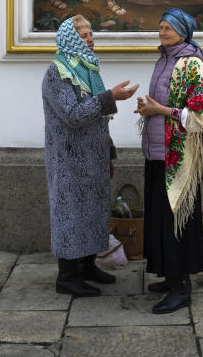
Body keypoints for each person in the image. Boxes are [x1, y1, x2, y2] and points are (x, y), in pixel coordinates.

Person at [42, 15, 139, 296]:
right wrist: (111, 96)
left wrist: (107, 154)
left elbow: (99, 118)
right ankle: (67, 276)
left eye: (91, 34)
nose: (90, 40)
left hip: (93, 159)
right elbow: (73, 115)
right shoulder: (58, 72)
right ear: (70, 39)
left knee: (93, 213)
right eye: (83, 36)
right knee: (71, 214)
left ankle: (86, 266)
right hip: (70, 161)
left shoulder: (87, 70)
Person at [134, 8, 203, 314]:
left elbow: (201, 115)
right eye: (160, 26)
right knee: (161, 216)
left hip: (179, 156)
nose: (162, 31)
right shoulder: (165, 58)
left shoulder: (191, 63)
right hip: (158, 152)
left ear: (183, 30)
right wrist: (149, 107)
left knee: (177, 220)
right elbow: (165, 103)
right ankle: (170, 276)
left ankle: (182, 286)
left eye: (168, 27)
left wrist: (161, 111)